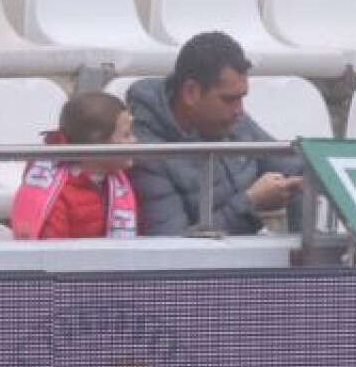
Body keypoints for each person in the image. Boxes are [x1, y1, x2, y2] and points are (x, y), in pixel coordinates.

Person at [126, 31, 304, 236]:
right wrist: (249, 203)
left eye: (241, 98)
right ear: (190, 92)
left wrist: (302, 251)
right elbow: (172, 246)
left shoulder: (231, 120)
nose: (239, 110)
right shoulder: (146, 151)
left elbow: (297, 170)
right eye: (229, 99)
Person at [10, 92, 138, 240]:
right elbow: (50, 255)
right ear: (97, 144)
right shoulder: (54, 195)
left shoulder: (121, 181)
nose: (135, 140)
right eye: (126, 135)